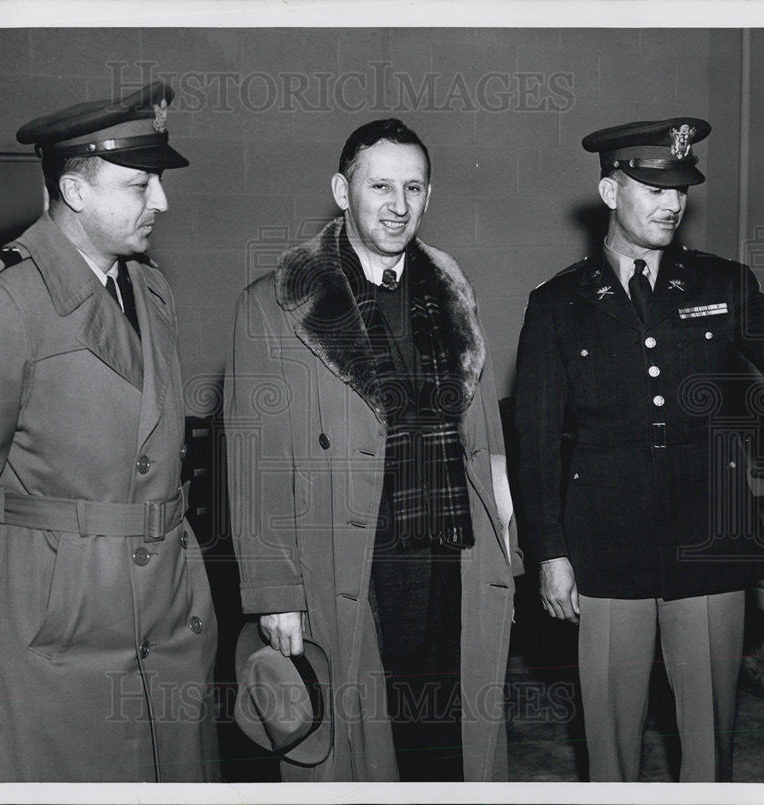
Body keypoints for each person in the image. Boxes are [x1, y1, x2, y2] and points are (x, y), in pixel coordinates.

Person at [0, 81, 219, 782]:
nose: (162, 201)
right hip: (56, 637)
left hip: (166, 622)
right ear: (75, 188)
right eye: (140, 183)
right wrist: (17, 587)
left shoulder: (149, 289)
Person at [223, 118, 521, 782]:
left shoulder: (454, 298)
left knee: (447, 733)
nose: (397, 204)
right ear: (341, 188)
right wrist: (274, 591)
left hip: (452, 552)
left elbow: (488, 443)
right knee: (357, 745)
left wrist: (508, 543)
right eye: (379, 185)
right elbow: (252, 462)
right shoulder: (272, 308)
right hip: (345, 554)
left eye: (413, 187)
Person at [514, 117, 764, 782]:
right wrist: (550, 551)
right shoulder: (558, 304)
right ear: (611, 192)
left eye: (682, 189)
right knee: (610, 736)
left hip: (708, 539)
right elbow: (533, 440)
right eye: (654, 187)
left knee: (710, 738)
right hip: (605, 547)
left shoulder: (722, 284)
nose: (673, 203)